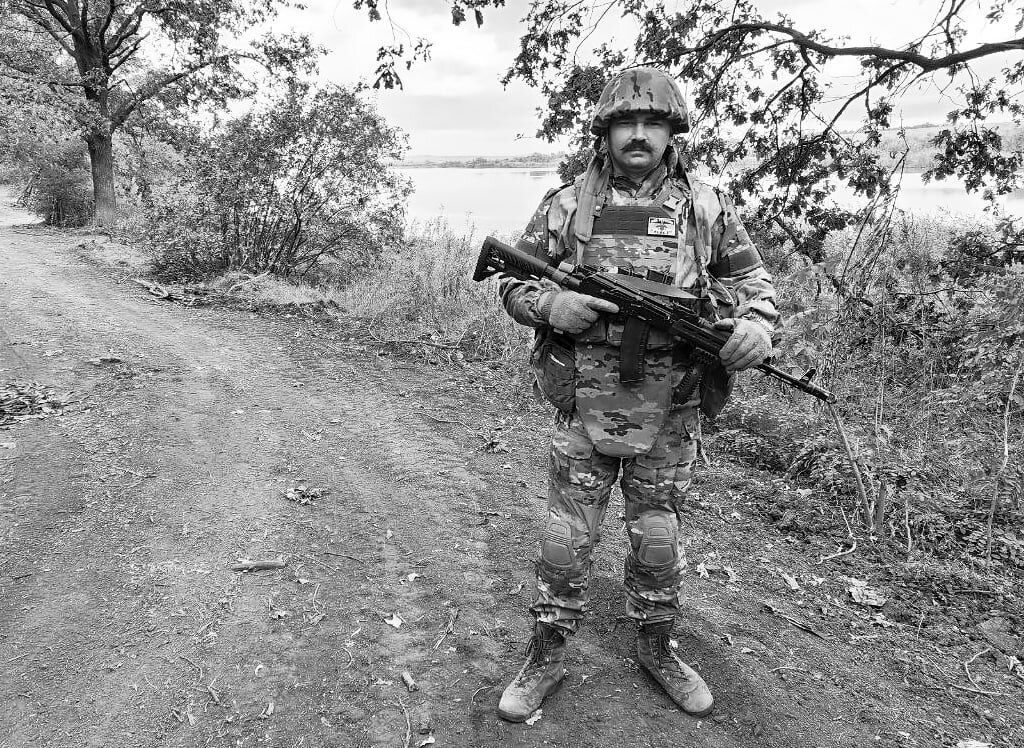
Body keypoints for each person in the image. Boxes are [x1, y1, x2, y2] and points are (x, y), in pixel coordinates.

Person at [495, 67, 780, 722]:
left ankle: (657, 648)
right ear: (606, 132)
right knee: (566, 537)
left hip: (673, 405)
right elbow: (511, 280)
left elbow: (754, 285)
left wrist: (756, 329)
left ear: (672, 134)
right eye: (627, 122)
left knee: (657, 537)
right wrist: (551, 305)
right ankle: (545, 653)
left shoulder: (705, 208)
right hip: (583, 400)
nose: (640, 135)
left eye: (653, 123)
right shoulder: (566, 205)